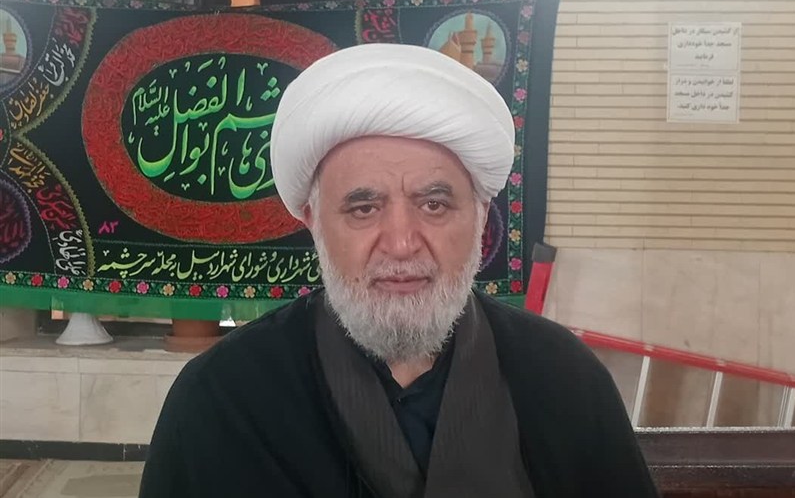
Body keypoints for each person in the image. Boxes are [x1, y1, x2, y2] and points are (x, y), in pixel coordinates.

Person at [139, 44, 659, 498]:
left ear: (480, 217)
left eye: (434, 205)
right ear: (313, 220)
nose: (403, 243)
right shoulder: (224, 399)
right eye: (364, 209)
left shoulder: (562, 380)